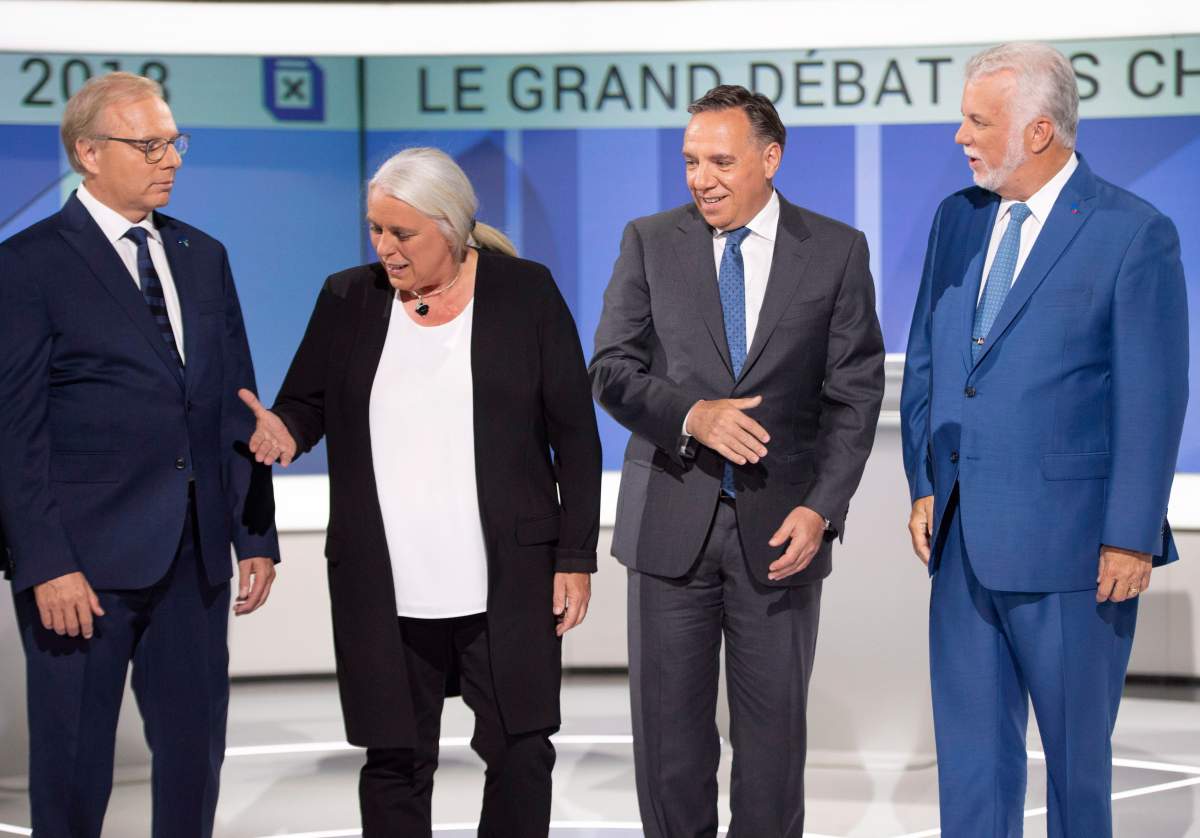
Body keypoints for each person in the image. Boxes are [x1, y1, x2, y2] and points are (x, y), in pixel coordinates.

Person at [240, 146, 602, 837]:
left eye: (401, 233)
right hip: (386, 584)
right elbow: (305, 404)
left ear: (452, 225)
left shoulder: (525, 294)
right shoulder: (348, 297)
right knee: (395, 760)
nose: (385, 248)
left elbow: (576, 440)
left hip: (509, 580)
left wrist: (574, 558)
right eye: (375, 229)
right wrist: (283, 431)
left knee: (521, 751)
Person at [900, 42, 1189, 837]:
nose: (959, 135)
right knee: (970, 769)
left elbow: (1154, 398)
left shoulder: (1135, 234)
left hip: (1075, 555)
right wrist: (925, 482)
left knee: (1075, 774)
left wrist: (1129, 537)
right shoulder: (955, 221)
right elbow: (929, 357)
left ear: (1037, 131)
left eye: (977, 120)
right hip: (961, 545)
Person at [590, 85, 885, 837]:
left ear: (770, 159)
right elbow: (611, 371)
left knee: (773, 749)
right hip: (668, 529)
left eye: (720, 160)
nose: (701, 177)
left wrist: (821, 509)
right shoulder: (650, 242)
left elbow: (855, 397)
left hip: (781, 534)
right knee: (671, 750)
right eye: (690, 160)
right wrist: (692, 415)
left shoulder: (838, 251)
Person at [0, 72, 279, 838]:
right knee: (73, 766)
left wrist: (254, 532)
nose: (171, 159)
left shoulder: (202, 254)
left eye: (174, 142)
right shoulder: (27, 265)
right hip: (81, 570)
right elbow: (12, 430)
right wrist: (45, 561)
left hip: (194, 560)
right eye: (149, 144)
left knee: (194, 761)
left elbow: (235, 402)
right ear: (89, 153)